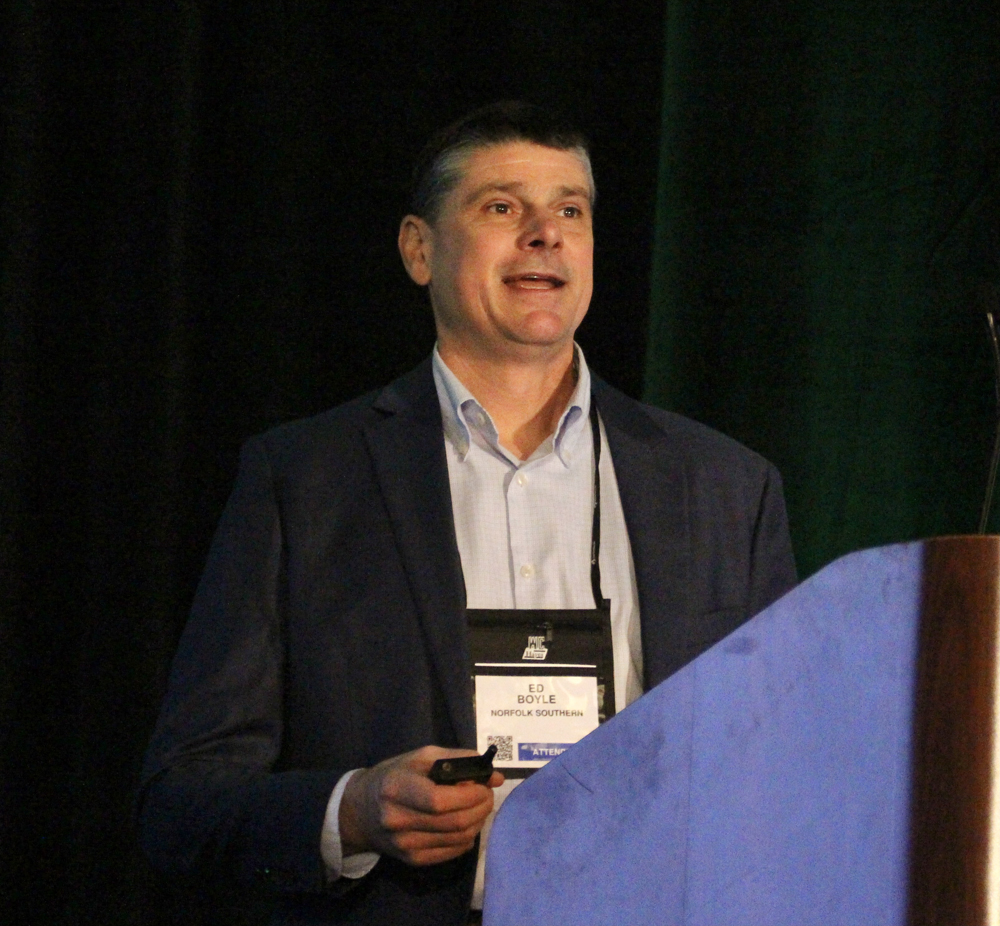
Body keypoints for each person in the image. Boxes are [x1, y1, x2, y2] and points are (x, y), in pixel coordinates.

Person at [139, 101, 797, 925]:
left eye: (569, 210)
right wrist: (355, 808)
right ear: (420, 248)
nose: (544, 234)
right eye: (501, 207)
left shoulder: (726, 489)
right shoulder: (302, 480)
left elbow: (782, 783)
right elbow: (183, 801)